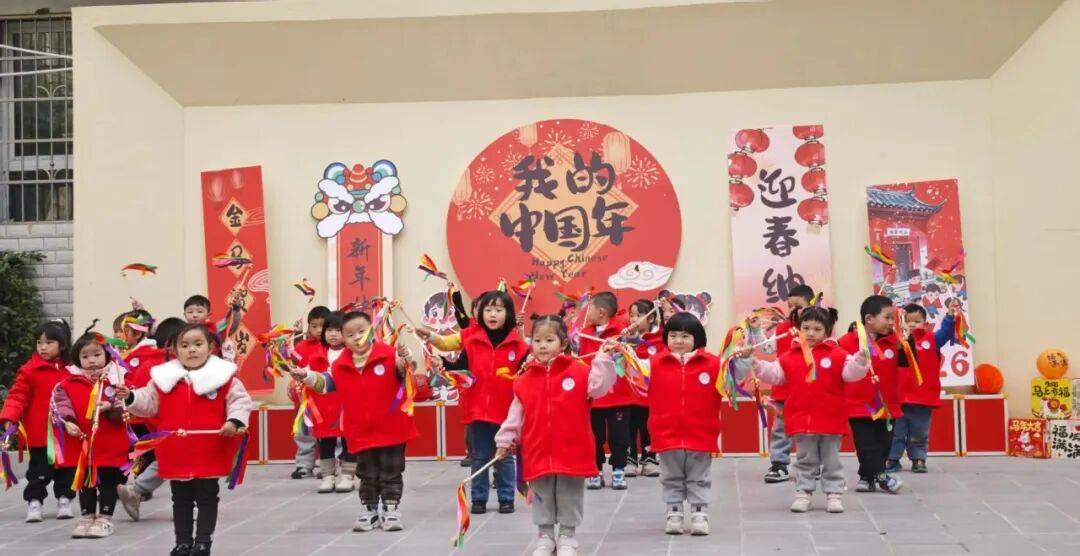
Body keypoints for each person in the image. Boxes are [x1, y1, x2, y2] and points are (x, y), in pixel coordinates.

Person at [122, 323, 253, 556]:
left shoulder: (224, 377)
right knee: (180, 499)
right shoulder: (163, 378)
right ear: (174, 350)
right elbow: (148, 403)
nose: (191, 349)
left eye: (197, 344)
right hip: (176, 451)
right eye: (184, 345)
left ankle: (203, 542)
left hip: (208, 449)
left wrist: (233, 421)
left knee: (207, 497)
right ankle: (182, 542)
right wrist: (131, 397)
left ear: (210, 347)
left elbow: (239, 401)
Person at [495, 315, 617, 556]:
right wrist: (504, 440)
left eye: (549, 340)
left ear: (563, 343)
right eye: (537, 340)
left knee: (569, 493)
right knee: (541, 493)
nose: (542, 345)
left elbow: (600, 388)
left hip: (572, 447)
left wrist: (603, 359)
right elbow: (515, 414)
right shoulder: (523, 380)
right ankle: (545, 536)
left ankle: (568, 536)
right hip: (537, 448)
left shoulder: (580, 372)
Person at [290, 311, 422, 532]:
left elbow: (405, 370)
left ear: (372, 331)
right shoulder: (340, 365)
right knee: (366, 473)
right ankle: (369, 510)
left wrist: (406, 358)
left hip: (392, 429)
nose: (357, 337)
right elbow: (325, 383)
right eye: (350, 334)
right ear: (343, 338)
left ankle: (390, 509)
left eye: (361, 331)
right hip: (360, 430)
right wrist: (306, 376)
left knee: (391, 471)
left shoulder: (388, 355)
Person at [748, 306, 870, 513]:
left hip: (831, 419)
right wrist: (756, 364)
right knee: (805, 459)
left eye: (817, 329)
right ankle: (803, 493)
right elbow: (775, 375)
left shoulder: (839, 355)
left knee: (832, 459)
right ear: (798, 329)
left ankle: (833, 494)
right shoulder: (789, 356)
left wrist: (861, 359)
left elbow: (852, 374)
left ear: (827, 331)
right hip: (801, 418)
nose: (811, 333)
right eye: (806, 328)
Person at [419, 290, 528, 515]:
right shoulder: (472, 341)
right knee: (480, 456)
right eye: (488, 310)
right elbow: (460, 368)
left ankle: (506, 498)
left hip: (506, 412)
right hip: (478, 410)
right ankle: (478, 499)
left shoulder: (518, 345)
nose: (493, 314)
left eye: (498, 310)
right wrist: (443, 365)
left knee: (504, 457)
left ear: (508, 313)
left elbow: (527, 375)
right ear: (480, 313)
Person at [648, 312, 737, 536]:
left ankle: (699, 514)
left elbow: (735, 377)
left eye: (685, 336)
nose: (678, 341)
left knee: (699, 477)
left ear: (698, 338)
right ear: (666, 338)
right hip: (666, 433)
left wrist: (743, 359)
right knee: (671, 477)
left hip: (701, 433)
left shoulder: (714, 364)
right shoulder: (654, 363)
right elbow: (630, 370)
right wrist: (615, 355)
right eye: (673, 335)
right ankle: (674, 513)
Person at [52, 331, 130, 538]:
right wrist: (68, 422)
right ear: (77, 358)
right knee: (85, 481)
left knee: (108, 480)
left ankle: (105, 518)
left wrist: (111, 406)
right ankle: (86, 517)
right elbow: (61, 405)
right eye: (85, 356)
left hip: (109, 441)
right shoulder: (68, 382)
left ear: (106, 354)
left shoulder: (117, 379)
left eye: (96, 354)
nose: (92, 360)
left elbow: (126, 405)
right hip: (83, 441)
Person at [0, 321, 75, 522]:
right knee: (38, 472)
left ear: (62, 345)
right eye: (39, 343)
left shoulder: (72, 370)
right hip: (40, 434)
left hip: (67, 433)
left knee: (66, 470)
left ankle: (65, 499)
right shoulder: (29, 370)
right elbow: (17, 396)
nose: (43, 347)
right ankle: (35, 502)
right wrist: (10, 417)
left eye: (49, 343)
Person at [117, 316, 185, 521]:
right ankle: (182, 507)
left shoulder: (190, 365)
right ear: (169, 345)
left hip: (169, 427)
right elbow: (143, 397)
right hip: (166, 427)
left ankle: (137, 491)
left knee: (170, 462)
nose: (190, 349)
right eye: (184, 344)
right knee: (176, 463)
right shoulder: (156, 367)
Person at [837, 295, 904, 494]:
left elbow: (907, 364)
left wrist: (906, 346)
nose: (891, 322)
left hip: (887, 405)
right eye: (887, 317)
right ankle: (882, 477)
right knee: (866, 445)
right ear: (869, 319)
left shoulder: (895, 341)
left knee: (884, 444)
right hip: (858, 404)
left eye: (893, 318)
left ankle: (867, 476)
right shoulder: (847, 341)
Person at [886, 303, 957, 473]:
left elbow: (946, 332)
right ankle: (892, 459)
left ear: (925, 324)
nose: (911, 325)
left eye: (916, 321)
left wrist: (949, 316)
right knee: (896, 432)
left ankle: (918, 458)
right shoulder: (896, 341)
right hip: (898, 398)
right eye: (907, 321)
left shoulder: (932, 340)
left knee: (919, 431)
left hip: (923, 398)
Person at [578, 292, 632, 491]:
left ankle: (618, 469)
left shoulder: (622, 331)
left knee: (619, 436)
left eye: (590, 308)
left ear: (601, 312)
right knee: (594, 436)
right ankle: (595, 470)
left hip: (618, 395)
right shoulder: (585, 333)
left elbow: (629, 357)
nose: (587, 312)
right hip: (594, 394)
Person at [763, 285, 815, 484]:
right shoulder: (783, 328)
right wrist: (755, 333)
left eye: (798, 306)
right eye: (790, 306)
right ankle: (779, 464)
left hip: (809, 389)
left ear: (811, 305)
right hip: (784, 390)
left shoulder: (817, 328)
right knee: (780, 429)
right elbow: (767, 348)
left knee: (809, 429)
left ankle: (811, 465)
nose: (793, 310)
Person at [302, 312, 357, 493]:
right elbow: (309, 375)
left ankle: (347, 476)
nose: (333, 334)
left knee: (349, 440)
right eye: (329, 330)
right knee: (325, 441)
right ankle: (327, 476)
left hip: (347, 407)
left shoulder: (353, 354)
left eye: (338, 330)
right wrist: (300, 375)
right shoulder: (316, 355)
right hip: (324, 406)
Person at [289, 306, 331, 480]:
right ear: (309, 326)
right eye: (314, 326)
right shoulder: (301, 346)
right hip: (307, 397)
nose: (319, 330)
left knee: (330, 431)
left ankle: (328, 465)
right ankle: (304, 465)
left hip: (328, 397)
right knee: (304, 431)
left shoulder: (333, 346)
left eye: (323, 326)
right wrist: (296, 336)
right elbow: (293, 365)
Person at [624, 299, 662, 478]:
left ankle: (649, 460)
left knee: (648, 427)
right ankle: (630, 459)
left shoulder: (659, 339)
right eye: (631, 315)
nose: (633, 319)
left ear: (651, 317)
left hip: (651, 394)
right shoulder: (626, 338)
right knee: (629, 428)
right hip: (630, 392)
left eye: (638, 315)